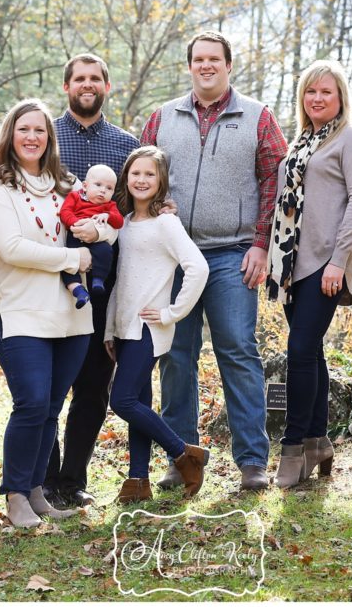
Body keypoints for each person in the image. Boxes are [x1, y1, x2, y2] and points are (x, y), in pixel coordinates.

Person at [140, 31, 288, 492]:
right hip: (175, 256)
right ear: (189, 66)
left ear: (228, 66)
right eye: (198, 59)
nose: (206, 66)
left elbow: (275, 183)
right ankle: (182, 457)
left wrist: (261, 245)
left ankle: (251, 463)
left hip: (233, 255)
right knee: (175, 357)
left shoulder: (258, 117)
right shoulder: (162, 118)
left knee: (238, 353)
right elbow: (139, 174)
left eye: (214, 60)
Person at [0, 99, 118, 528]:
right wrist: (72, 259)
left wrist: (100, 231)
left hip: (72, 316)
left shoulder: (66, 183)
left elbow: (110, 223)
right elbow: (12, 248)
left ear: (49, 137)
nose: (32, 137)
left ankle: (38, 490)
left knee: (53, 405)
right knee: (32, 402)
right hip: (21, 313)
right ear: (11, 134)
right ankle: (16, 494)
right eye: (24, 129)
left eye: (40, 130)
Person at [266, 60, 352, 488]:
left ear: (340, 97)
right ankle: (318, 441)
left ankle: (292, 449)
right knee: (310, 353)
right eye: (311, 92)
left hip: (326, 263)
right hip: (292, 263)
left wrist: (339, 261)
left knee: (299, 349)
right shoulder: (303, 141)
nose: (317, 99)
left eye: (325, 92)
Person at [44, 53, 139, 509]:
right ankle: (44, 479)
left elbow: (140, 205)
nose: (87, 84)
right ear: (67, 87)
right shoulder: (46, 136)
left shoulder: (126, 145)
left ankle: (72, 480)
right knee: (48, 383)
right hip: (50, 275)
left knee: (94, 384)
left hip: (105, 280)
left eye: (95, 78)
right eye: (79, 78)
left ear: (107, 86)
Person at [104, 147, 210, 503]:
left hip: (148, 328)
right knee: (139, 402)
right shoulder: (124, 222)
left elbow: (198, 267)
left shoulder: (166, 222)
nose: (142, 180)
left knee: (122, 400)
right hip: (124, 326)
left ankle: (185, 455)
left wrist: (171, 313)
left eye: (150, 174)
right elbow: (121, 278)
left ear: (161, 180)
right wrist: (109, 328)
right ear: (126, 177)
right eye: (136, 173)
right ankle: (138, 481)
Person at [59, 163, 123, 308]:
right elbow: (65, 212)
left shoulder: (109, 206)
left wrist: (107, 215)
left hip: (97, 240)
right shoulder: (75, 197)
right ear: (85, 186)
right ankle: (77, 289)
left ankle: (98, 280)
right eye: (98, 185)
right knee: (69, 261)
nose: (103, 191)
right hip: (75, 235)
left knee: (106, 251)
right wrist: (75, 223)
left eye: (109, 188)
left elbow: (119, 222)